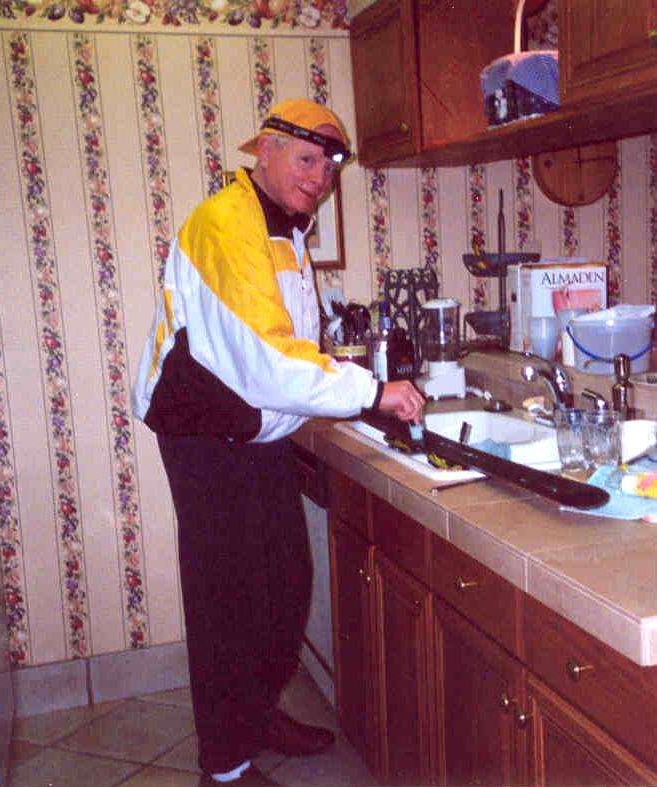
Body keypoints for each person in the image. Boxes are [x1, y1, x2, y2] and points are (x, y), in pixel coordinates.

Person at [131, 98, 425, 787]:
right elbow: (265, 357)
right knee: (229, 599)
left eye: (328, 166)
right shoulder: (226, 224)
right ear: (263, 150)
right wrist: (371, 392)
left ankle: (256, 715)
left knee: (285, 585)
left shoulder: (284, 230)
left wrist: (344, 383)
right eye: (306, 159)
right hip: (205, 430)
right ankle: (224, 765)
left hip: (256, 430)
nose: (318, 177)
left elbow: (291, 344)